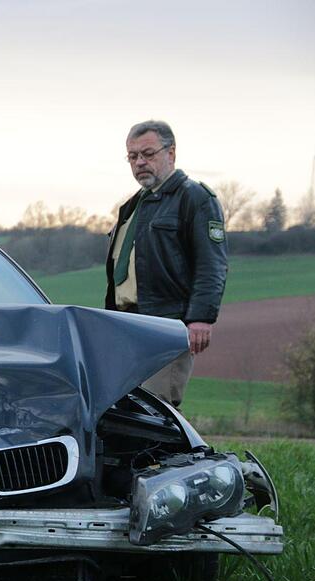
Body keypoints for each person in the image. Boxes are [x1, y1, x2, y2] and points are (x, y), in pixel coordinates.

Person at [105, 120, 228, 407]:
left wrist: (201, 317)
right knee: (124, 413)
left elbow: (212, 263)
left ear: (171, 153)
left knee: (156, 411)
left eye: (148, 154)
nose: (140, 163)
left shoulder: (195, 198)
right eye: (133, 157)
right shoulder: (134, 204)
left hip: (166, 326)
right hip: (126, 324)